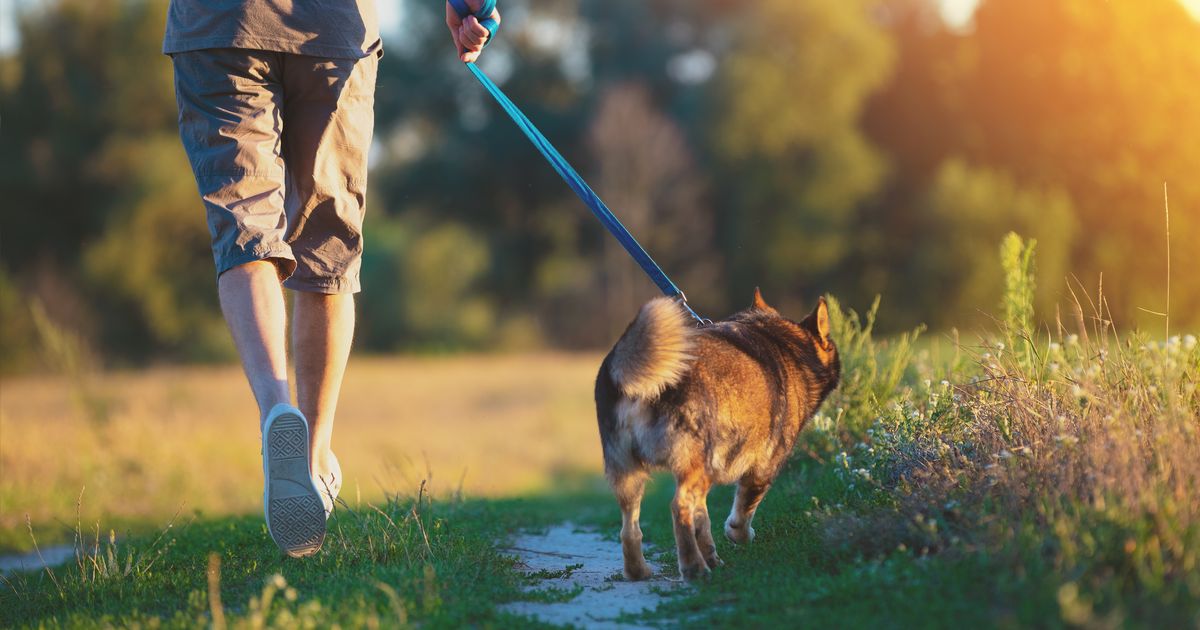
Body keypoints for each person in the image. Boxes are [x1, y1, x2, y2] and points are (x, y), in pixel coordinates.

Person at [163, 0, 500, 557]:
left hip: (219, 25)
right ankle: (314, 457)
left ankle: (277, 410)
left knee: (245, 228)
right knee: (328, 244)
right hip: (334, 30)